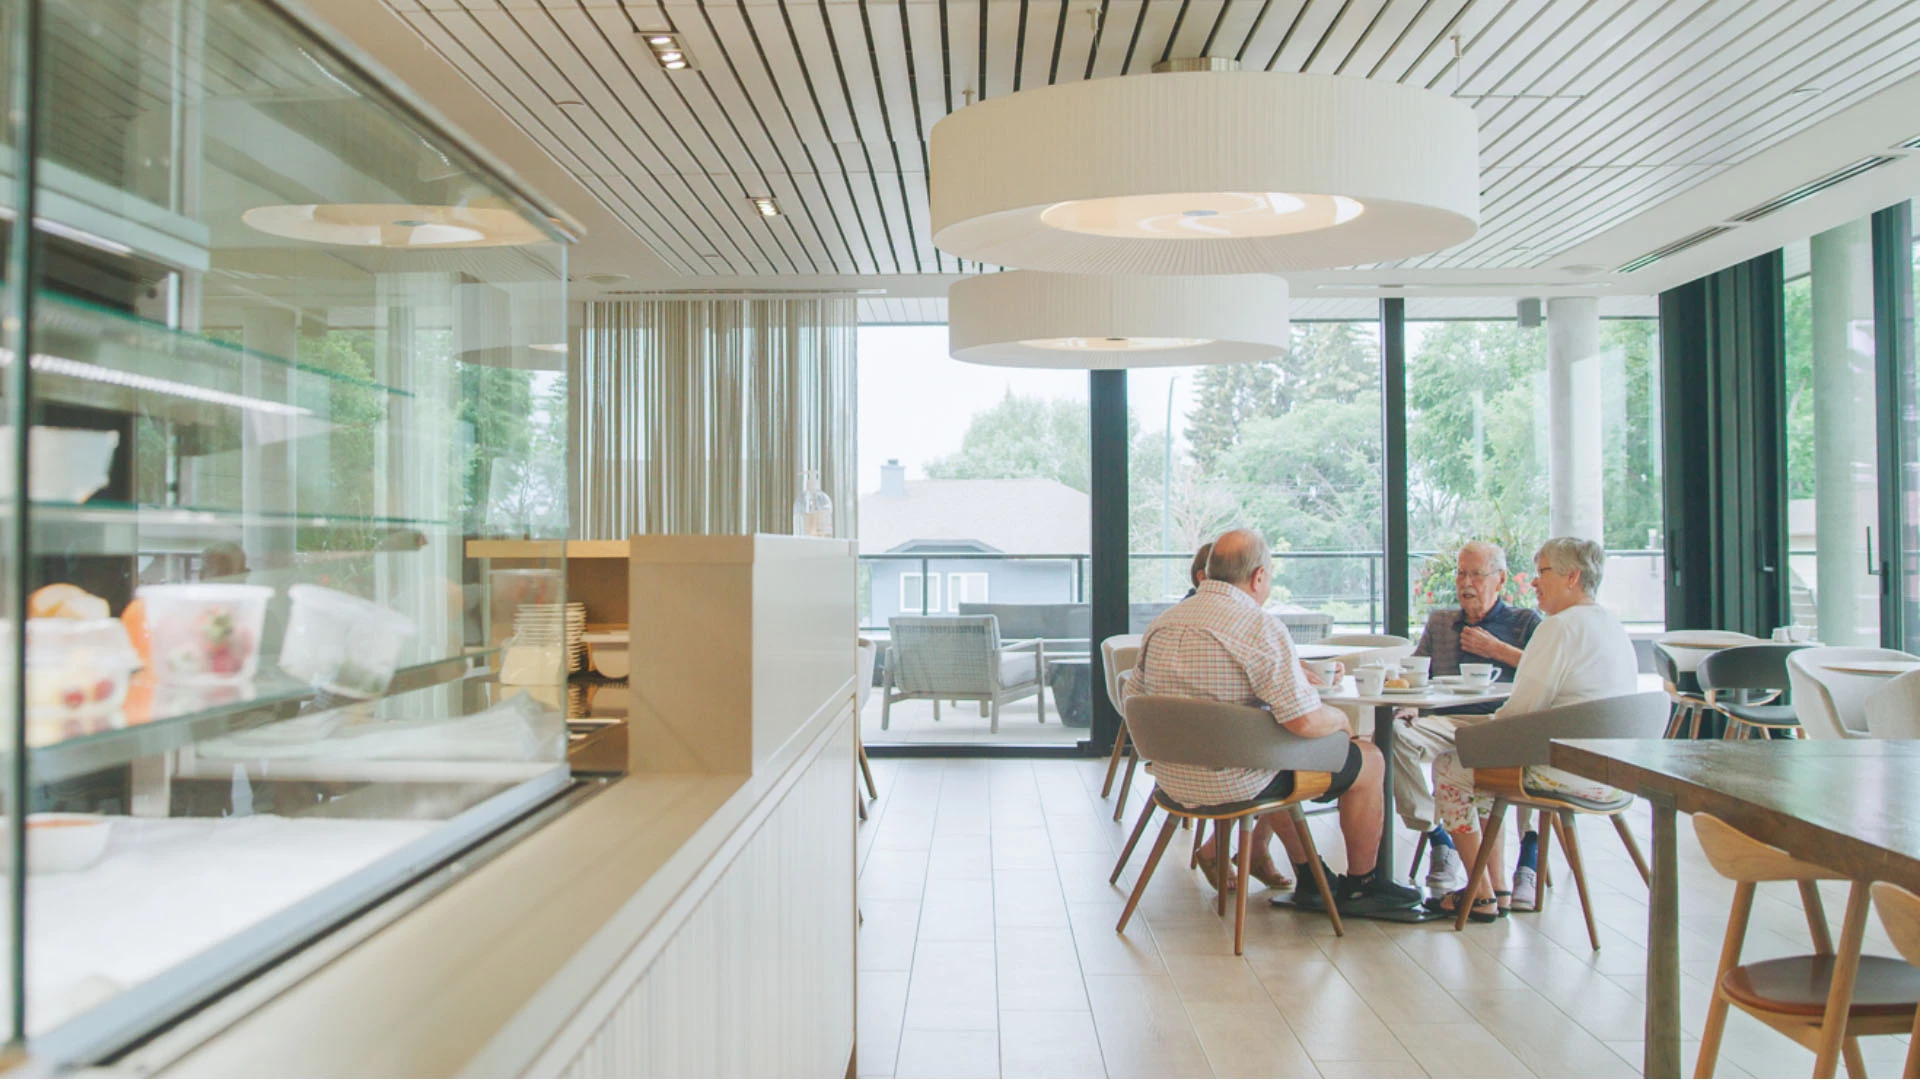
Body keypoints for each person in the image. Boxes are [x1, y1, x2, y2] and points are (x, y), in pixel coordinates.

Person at [1124, 528, 1417, 913]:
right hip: (1237, 778)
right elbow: (1304, 722)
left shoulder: (1161, 624)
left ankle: (1313, 878)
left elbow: (1134, 697)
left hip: (1171, 778)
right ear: (1259, 576)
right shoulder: (1258, 626)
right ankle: (1364, 886)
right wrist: (1341, 722)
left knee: (1272, 751)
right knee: (1368, 759)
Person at [1426, 536, 1639, 922]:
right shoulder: (1611, 624)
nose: (1534, 582)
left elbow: (1521, 713)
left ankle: (1481, 895)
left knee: (1448, 766)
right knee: (1482, 765)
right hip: (1613, 771)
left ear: (1571, 576)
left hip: (1565, 770)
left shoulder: (1559, 628)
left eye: (1542, 572)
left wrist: (1470, 734)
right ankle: (1499, 889)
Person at [1394, 541, 1544, 901]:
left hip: (1502, 722)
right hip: (1446, 722)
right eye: (1462, 572)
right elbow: (1416, 672)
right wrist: (1410, 704)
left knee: (1530, 750)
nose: (1467, 582)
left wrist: (1498, 651)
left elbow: (1546, 674)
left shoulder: (1525, 622)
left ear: (1500, 579)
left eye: (1477, 574)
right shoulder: (1442, 622)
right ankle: (1437, 837)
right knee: (1393, 736)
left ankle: (1529, 859)